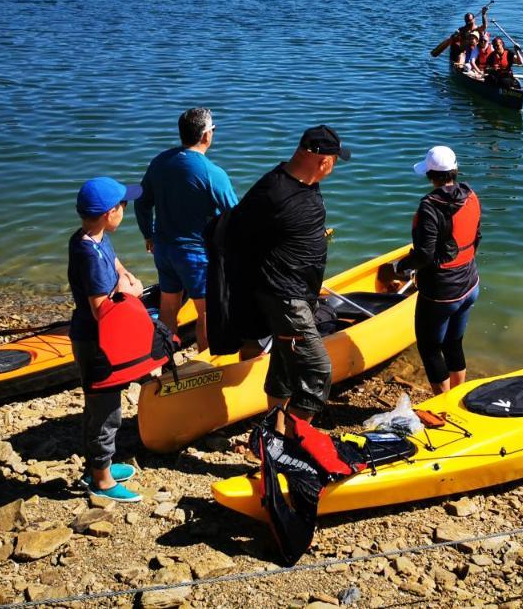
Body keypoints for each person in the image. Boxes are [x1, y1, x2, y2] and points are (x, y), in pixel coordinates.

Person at [225, 125, 350, 434]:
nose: (335, 167)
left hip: (299, 292)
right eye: (335, 160)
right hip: (285, 298)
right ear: (322, 161)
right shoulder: (272, 192)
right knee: (318, 369)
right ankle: (292, 440)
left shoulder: (306, 184)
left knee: (283, 364)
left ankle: (273, 434)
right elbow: (233, 235)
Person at [68, 176, 146, 502]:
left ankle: (102, 465)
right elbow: (102, 309)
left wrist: (125, 274)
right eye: (123, 206)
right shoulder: (88, 254)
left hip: (97, 338)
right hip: (97, 341)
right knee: (105, 410)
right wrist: (130, 292)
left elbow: (112, 261)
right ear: (109, 212)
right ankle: (100, 479)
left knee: (102, 404)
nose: (126, 209)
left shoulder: (91, 236)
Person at [136, 107, 238, 352]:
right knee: (206, 312)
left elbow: (141, 202)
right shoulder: (212, 173)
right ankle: (205, 366)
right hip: (195, 255)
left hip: (164, 249)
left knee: (169, 307)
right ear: (205, 136)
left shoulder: (160, 162)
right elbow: (236, 216)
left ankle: (164, 362)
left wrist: (148, 234)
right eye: (213, 129)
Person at [385, 146, 481, 395]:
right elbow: (476, 237)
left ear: (430, 175)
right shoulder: (471, 194)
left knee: (429, 348)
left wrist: (400, 267)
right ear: (455, 171)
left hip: (442, 293)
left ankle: (443, 406)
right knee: (453, 343)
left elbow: (425, 255)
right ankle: (456, 398)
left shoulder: (429, 206)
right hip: (471, 284)